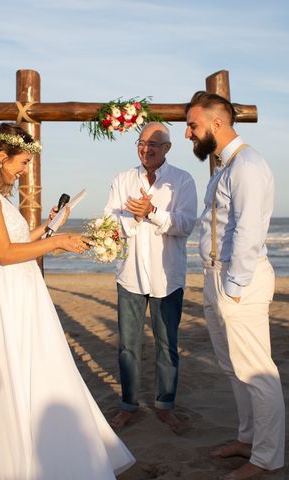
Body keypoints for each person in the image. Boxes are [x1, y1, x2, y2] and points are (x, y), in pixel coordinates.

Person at [0, 122, 134, 479]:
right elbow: (4, 253)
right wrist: (58, 243)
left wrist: (50, 228)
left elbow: (19, 242)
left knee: (43, 366)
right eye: (23, 162)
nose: (26, 170)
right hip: (12, 294)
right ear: (2, 156)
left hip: (25, 289)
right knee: (25, 371)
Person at [184, 92, 285, 480]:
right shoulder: (225, 168)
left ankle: (266, 458)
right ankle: (249, 439)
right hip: (215, 276)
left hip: (237, 279)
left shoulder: (247, 166)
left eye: (193, 126)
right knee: (232, 367)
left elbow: (248, 231)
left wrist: (235, 286)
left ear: (217, 124)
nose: (189, 134)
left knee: (257, 371)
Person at [103, 122, 197, 430]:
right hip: (129, 276)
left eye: (153, 144)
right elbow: (109, 222)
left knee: (167, 345)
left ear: (167, 148)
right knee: (128, 346)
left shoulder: (182, 180)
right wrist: (135, 217)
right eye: (141, 143)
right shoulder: (122, 179)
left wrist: (152, 212)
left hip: (167, 278)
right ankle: (129, 404)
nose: (146, 149)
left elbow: (185, 224)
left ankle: (165, 404)